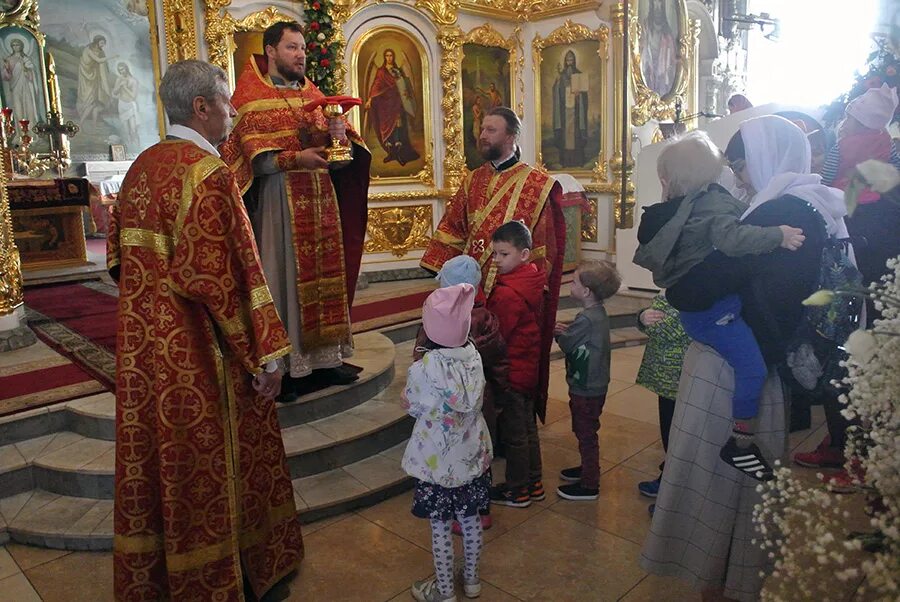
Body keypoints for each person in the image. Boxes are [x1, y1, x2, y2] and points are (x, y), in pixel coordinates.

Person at [107, 60, 302, 601]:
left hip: (145, 356)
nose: (233, 112)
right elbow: (228, 280)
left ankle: (163, 579)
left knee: (162, 462)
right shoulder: (210, 174)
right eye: (227, 103)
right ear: (202, 107)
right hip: (200, 352)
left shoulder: (141, 168)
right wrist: (264, 355)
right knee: (216, 464)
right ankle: (227, 578)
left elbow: (120, 262)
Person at [641, 115, 840, 601]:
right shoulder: (805, 203)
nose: (739, 178)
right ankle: (729, 579)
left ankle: (720, 582)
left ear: (765, 160)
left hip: (731, 369)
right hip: (749, 363)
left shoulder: (780, 213)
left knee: (719, 487)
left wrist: (683, 283)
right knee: (738, 492)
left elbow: (693, 291)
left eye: (741, 166)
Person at [633, 130, 806, 481]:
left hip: (704, 311)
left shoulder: (685, 206)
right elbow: (733, 238)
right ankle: (741, 444)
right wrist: (778, 235)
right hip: (714, 315)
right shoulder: (712, 201)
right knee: (753, 369)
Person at [220, 21, 371, 398]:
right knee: (282, 278)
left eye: (302, 47)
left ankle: (326, 360)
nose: (301, 54)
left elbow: (340, 156)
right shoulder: (250, 98)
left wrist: (339, 146)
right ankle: (284, 367)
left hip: (321, 200)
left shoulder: (314, 95)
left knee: (325, 278)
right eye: (291, 47)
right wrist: (294, 159)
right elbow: (246, 161)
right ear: (270, 51)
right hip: (278, 206)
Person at [421, 106, 566, 426]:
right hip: (472, 292)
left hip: (510, 293)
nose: (483, 136)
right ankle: (477, 424)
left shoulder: (536, 185)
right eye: (482, 129)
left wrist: (530, 293)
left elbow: (542, 247)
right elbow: (454, 227)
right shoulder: (472, 180)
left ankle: (508, 431)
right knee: (475, 361)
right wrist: (439, 267)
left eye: (491, 130)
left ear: (511, 136)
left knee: (507, 364)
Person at [797, 83, 900, 484]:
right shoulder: (890, 152)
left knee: (851, 358)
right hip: (879, 262)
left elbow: (823, 186)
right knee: (859, 358)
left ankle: (854, 456)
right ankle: (844, 445)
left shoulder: (842, 150)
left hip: (857, 253)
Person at [402, 284, 493, 602]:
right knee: (470, 520)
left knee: (440, 526)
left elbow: (412, 406)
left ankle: (443, 591)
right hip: (469, 457)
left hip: (436, 463)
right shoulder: (474, 358)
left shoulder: (423, 369)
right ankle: (471, 581)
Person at [413, 254, 508, 532]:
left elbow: (420, 365)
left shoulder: (434, 323)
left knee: (448, 457)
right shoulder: (486, 318)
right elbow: (500, 360)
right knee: (478, 456)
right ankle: (481, 509)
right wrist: (500, 393)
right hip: (481, 400)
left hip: (442, 410)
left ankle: (452, 511)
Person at [484, 221, 547, 507]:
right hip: (528, 368)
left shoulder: (508, 293)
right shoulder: (531, 279)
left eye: (503, 254)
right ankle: (534, 482)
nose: (496, 260)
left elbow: (497, 335)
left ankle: (517, 490)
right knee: (528, 430)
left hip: (512, 371)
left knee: (515, 435)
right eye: (495, 254)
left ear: (524, 254)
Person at [553, 260, 621, 501]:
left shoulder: (587, 319)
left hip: (586, 387)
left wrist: (558, 334)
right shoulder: (596, 314)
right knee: (585, 429)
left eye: (574, 281)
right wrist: (567, 331)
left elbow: (569, 343)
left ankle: (590, 483)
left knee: (585, 433)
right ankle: (586, 468)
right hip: (594, 385)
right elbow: (577, 336)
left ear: (586, 292)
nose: (570, 284)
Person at [634, 294, 691, 508]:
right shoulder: (677, 287)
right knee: (670, 428)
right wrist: (642, 315)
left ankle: (673, 486)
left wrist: (641, 318)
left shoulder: (689, 292)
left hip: (675, 377)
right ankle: (671, 472)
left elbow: (664, 327)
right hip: (668, 376)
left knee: (673, 431)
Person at [365, 48, 420, 166]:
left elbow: (404, 85)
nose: (389, 58)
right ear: (384, 57)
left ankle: (400, 154)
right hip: (384, 105)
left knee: (398, 126)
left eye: (391, 56)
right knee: (387, 128)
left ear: (393, 57)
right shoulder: (381, 71)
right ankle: (391, 154)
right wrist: (370, 99)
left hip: (397, 103)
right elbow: (376, 86)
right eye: (387, 56)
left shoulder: (397, 70)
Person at [551, 49, 589, 167]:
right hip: (564, 112)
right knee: (565, 137)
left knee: (576, 136)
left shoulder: (578, 74)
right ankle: (565, 161)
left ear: (574, 60)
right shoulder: (561, 76)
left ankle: (578, 160)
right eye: (568, 59)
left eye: (571, 59)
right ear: (565, 61)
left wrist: (580, 95)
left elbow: (584, 94)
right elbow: (556, 92)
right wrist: (557, 85)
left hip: (575, 111)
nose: (569, 61)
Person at [77, 35, 115, 125]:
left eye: (104, 44)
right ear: (97, 42)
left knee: (93, 102)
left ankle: (92, 123)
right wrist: (113, 57)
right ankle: (82, 122)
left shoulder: (99, 51)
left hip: (94, 76)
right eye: (101, 43)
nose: (102, 45)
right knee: (88, 99)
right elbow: (98, 60)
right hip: (87, 75)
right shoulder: (88, 49)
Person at [641, 0, 676, 95]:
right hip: (647, 76)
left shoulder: (667, 34)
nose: (657, 11)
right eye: (655, 7)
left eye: (660, 8)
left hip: (662, 80)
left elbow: (672, 61)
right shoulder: (645, 28)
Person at [2, 38, 40, 125]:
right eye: (14, 45)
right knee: (18, 107)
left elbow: (32, 74)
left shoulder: (26, 59)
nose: (15, 47)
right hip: (15, 86)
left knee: (29, 106)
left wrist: (26, 70)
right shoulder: (9, 59)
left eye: (17, 45)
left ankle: (31, 129)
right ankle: (21, 132)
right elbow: (6, 77)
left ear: (21, 46)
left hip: (26, 85)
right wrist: (5, 69)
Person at [111, 62, 139, 146]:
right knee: (126, 130)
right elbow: (114, 93)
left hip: (130, 105)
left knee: (133, 129)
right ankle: (129, 147)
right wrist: (119, 86)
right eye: (119, 70)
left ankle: (137, 145)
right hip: (122, 105)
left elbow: (133, 96)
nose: (121, 71)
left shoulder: (133, 81)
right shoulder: (119, 79)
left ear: (126, 68)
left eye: (122, 69)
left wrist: (125, 87)